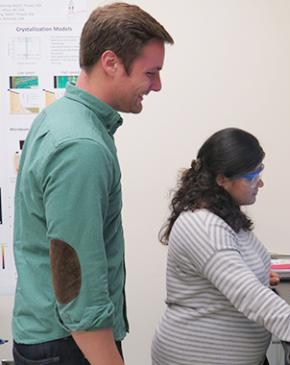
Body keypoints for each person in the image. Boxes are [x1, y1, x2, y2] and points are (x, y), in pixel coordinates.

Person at [12, 3, 173, 365]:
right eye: (151, 73)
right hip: (69, 344)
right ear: (111, 62)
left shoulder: (60, 117)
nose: (157, 85)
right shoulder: (81, 146)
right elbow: (77, 287)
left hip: (54, 337)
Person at [151, 128, 290, 365]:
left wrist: (254, 274)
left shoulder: (221, 212)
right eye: (252, 176)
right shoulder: (203, 225)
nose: (260, 182)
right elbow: (252, 299)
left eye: (260, 172)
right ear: (222, 179)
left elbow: (231, 267)